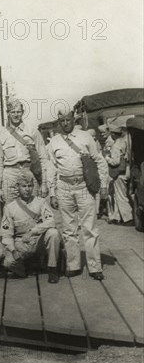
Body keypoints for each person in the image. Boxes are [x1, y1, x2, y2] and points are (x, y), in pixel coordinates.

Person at [47, 110, 108, 280]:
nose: (65, 123)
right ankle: (73, 265)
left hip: (83, 185)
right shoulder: (54, 142)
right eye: (62, 120)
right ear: (59, 122)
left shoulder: (85, 137)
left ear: (73, 119)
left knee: (89, 227)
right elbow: (51, 168)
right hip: (64, 186)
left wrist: (104, 185)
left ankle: (95, 267)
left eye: (68, 119)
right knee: (69, 229)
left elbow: (99, 161)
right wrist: (52, 192)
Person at [1, 170, 62, 283]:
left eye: (30, 186)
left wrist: (33, 231)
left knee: (53, 233)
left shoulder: (41, 202)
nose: (27, 189)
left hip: (38, 240)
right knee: (8, 263)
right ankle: (28, 266)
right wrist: (13, 250)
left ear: (33, 186)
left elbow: (51, 221)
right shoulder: (10, 208)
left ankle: (52, 269)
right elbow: (6, 234)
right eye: (24, 186)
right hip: (21, 243)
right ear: (17, 187)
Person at [0, 97, 48, 203]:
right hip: (9, 174)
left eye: (18, 112)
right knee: (10, 208)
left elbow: (43, 158)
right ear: (8, 113)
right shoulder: (1, 134)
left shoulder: (32, 132)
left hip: (29, 171)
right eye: (12, 112)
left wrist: (44, 183)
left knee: (33, 207)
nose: (16, 115)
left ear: (23, 112)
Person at [105, 123, 133, 226]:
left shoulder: (116, 145)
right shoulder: (123, 142)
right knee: (121, 195)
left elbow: (115, 162)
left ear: (113, 134)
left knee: (121, 196)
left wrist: (107, 158)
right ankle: (119, 218)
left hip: (118, 173)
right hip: (124, 171)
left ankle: (128, 218)